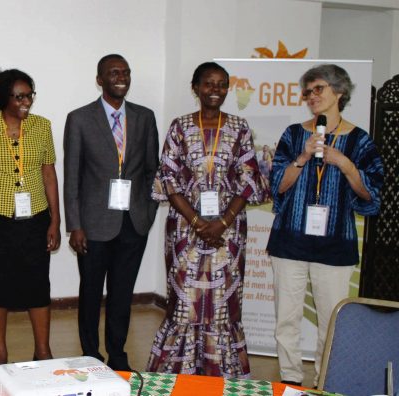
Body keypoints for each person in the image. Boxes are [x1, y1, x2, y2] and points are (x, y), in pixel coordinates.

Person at [146, 62, 268, 378]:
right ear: (196, 87)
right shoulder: (180, 126)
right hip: (186, 229)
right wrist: (199, 223)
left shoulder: (240, 127)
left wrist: (223, 222)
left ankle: (220, 372)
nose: (215, 90)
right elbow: (167, 177)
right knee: (185, 300)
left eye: (222, 84)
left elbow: (250, 177)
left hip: (229, 232)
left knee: (223, 303)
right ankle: (179, 371)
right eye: (208, 83)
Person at [267, 64, 383, 386]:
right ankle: (290, 380)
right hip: (289, 241)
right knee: (286, 319)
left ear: (339, 92)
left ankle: (322, 383)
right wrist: (303, 158)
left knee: (331, 321)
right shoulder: (294, 134)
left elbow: (371, 195)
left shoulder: (359, 141)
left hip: (335, 244)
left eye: (319, 89)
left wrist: (345, 164)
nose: (312, 96)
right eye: (308, 91)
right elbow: (277, 185)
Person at [63, 54, 159, 371]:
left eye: (126, 72)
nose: (121, 77)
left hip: (133, 222)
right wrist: (74, 225)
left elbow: (151, 171)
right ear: (100, 79)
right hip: (92, 225)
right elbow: (72, 176)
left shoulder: (145, 117)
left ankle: (117, 356)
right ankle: (91, 355)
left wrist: (147, 212)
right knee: (90, 292)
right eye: (113, 72)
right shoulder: (79, 118)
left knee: (122, 294)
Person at [0, 69, 60, 374]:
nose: (26, 102)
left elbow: (49, 174)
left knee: (37, 284)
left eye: (30, 94)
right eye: (19, 96)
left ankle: (43, 351)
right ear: (2, 97)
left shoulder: (42, 126)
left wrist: (55, 221)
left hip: (34, 217)